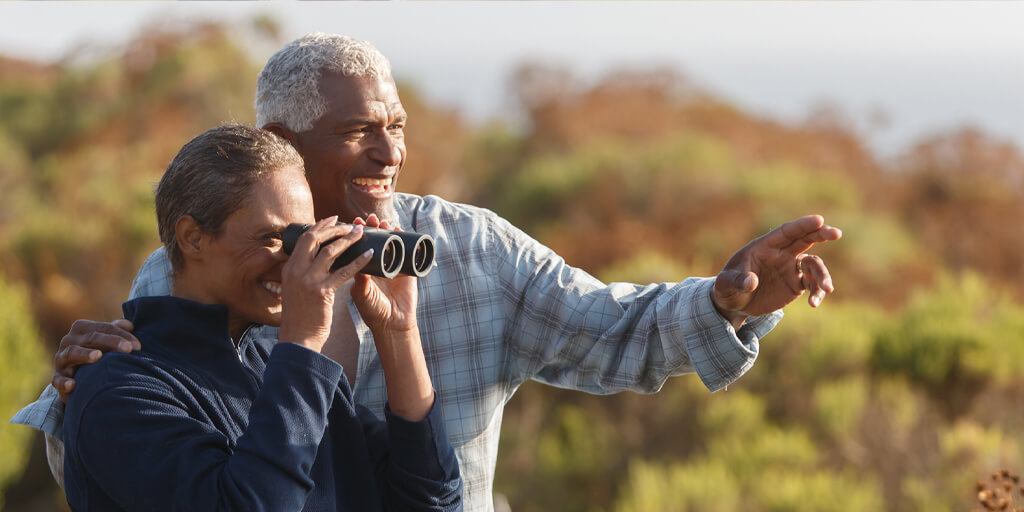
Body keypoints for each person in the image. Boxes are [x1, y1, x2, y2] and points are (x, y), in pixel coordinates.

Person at [12, 33, 841, 512]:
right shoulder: (210, 272)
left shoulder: (468, 249)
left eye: (398, 126)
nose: (391, 152)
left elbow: (612, 331)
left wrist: (726, 303)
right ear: (281, 141)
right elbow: (124, 463)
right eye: (359, 131)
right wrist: (76, 388)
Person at [61, 123, 462, 511]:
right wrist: (304, 341)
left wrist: (398, 333)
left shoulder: (285, 372)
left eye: (303, 237)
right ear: (193, 238)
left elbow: (432, 503)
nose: (294, 261)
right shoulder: (120, 390)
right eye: (274, 238)